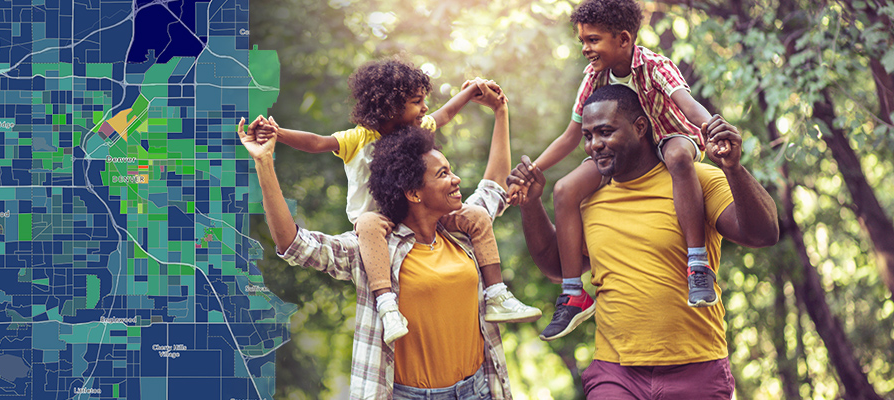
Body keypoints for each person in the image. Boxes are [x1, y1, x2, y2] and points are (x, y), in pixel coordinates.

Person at [508, 84, 778, 398]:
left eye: (606, 132)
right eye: (588, 136)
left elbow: (763, 233)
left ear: (640, 127)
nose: (595, 145)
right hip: (615, 373)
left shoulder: (694, 179)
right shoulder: (588, 200)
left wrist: (733, 168)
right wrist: (530, 205)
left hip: (698, 368)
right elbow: (557, 268)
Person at [247, 57, 539, 346]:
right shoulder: (359, 139)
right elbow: (316, 143)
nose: (425, 107)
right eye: (416, 101)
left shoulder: (453, 221)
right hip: (375, 224)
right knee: (368, 222)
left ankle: (497, 293)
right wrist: (277, 138)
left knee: (477, 214)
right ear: (390, 106)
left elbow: (449, 117)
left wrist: (482, 97)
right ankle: (387, 306)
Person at [240, 119, 515, 399]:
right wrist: (264, 162)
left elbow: (493, 189)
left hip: (478, 390)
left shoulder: (465, 231)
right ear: (413, 193)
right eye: (443, 174)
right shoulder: (374, 250)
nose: (456, 179)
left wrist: (500, 111)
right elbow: (294, 244)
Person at [507, 0, 718, 341]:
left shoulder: (655, 65)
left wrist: (713, 128)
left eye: (592, 40)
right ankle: (574, 292)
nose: (585, 48)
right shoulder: (594, 76)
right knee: (564, 189)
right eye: (582, 41)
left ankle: (697, 264)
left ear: (623, 39)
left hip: (670, 136)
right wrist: (532, 170)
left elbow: (688, 105)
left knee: (679, 157)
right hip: (622, 151)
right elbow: (570, 136)